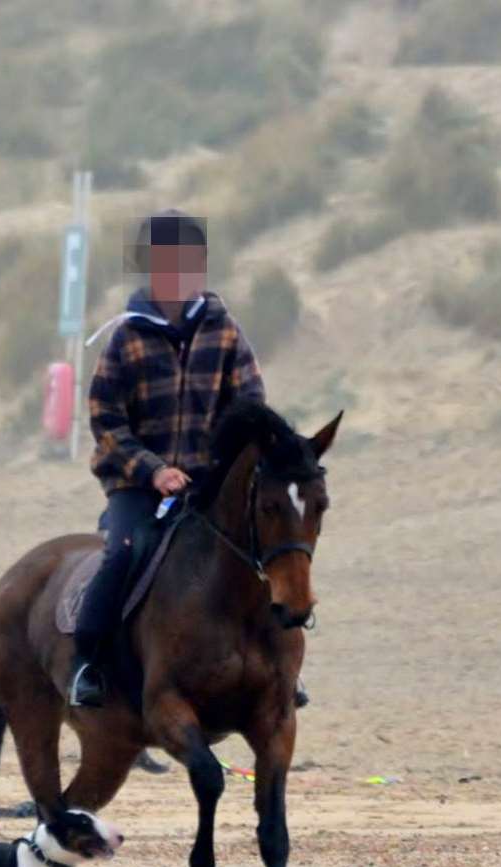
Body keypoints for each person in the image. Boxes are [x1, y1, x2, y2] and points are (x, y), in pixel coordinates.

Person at [69, 210, 307, 711]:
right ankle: (89, 662)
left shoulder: (226, 333)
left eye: (188, 264)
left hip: (208, 484)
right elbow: (105, 420)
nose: (178, 275)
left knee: (264, 549)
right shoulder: (124, 339)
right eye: (167, 264)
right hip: (136, 486)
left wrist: (229, 467)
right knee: (125, 554)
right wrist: (153, 470)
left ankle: (284, 665)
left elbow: (250, 406)